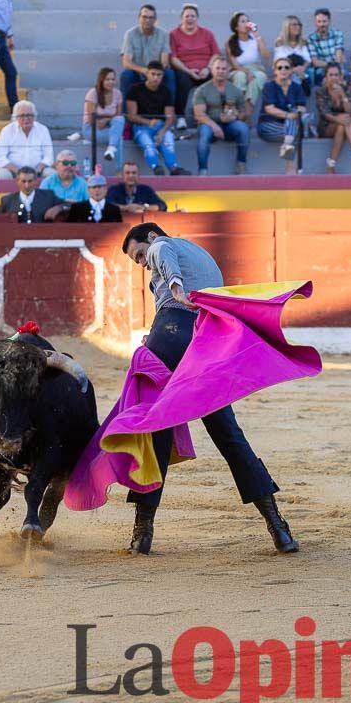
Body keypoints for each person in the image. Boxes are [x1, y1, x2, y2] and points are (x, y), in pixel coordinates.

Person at [119, 222, 298, 555]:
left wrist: (174, 287)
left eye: (139, 255)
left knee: (156, 428)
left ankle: (142, 533)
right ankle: (278, 528)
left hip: (170, 332)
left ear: (152, 238)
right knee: (228, 434)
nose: (143, 264)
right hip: (204, 341)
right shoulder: (202, 256)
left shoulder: (163, 247)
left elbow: (163, 254)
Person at [126, 61, 190, 176]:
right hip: (141, 126)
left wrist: (163, 130)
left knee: (168, 140)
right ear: (147, 74)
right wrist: (148, 122)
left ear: (163, 75)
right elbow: (131, 116)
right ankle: (156, 168)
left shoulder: (166, 91)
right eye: (153, 74)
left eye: (159, 75)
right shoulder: (135, 89)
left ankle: (174, 168)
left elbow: (170, 117)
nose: (155, 78)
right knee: (148, 144)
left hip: (160, 125)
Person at [193, 56, 251, 175]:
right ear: (212, 69)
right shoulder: (202, 90)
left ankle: (241, 165)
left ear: (228, 70)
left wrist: (235, 117)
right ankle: (202, 170)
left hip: (229, 126)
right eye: (217, 68)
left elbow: (243, 113)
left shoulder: (235, 90)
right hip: (209, 125)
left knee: (243, 128)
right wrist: (215, 126)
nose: (220, 71)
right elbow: (199, 115)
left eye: (224, 69)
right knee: (204, 136)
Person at [169, 3, 221, 127]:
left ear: (197, 18)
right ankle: (181, 118)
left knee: (215, 78)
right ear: (182, 18)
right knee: (182, 80)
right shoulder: (173, 34)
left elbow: (216, 54)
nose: (190, 19)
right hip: (184, 69)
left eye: (193, 16)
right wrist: (188, 70)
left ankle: (211, 116)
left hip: (205, 69)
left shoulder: (207, 33)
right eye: (187, 16)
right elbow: (173, 58)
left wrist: (208, 69)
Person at [316, 62, 351, 173]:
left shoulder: (345, 89)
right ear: (326, 77)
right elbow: (324, 113)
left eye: (336, 75)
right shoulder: (321, 91)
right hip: (327, 126)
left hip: (346, 125)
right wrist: (339, 118)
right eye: (331, 75)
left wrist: (342, 95)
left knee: (342, 125)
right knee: (344, 119)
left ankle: (331, 166)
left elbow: (350, 112)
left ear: (340, 76)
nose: (334, 78)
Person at [257, 56, 308, 173]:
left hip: (287, 128)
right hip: (268, 126)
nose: (283, 70)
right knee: (293, 125)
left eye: (286, 67)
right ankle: (291, 169)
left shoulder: (296, 87)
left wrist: (296, 112)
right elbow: (269, 109)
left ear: (291, 71)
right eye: (280, 67)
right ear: (275, 71)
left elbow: (302, 107)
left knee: (292, 123)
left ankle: (287, 146)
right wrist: (288, 114)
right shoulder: (269, 86)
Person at [119, 4, 176, 106]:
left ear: (155, 19)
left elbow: (165, 61)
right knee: (126, 75)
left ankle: (169, 114)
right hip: (137, 72)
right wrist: (144, 70)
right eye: (144, 17)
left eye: (151, 17)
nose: (147, 20)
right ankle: (126, 116)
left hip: (156, 73)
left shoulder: (163, 34)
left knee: (169, 74)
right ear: (139, 17)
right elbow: (126, 62)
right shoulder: (130, 34)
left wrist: (153, 73)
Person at [0, 100, 55, 180]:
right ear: (15, 117)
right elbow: (0, 158)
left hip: (38, 171)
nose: (26, 119)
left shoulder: (43, 130)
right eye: (22, 116)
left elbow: (49, 157)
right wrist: (18, 171)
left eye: (29, 115)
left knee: (51, 173)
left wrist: (37, 170)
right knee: (3, 174)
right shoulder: (7, 131)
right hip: (14, 172)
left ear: (34, 116)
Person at [225, 11, 270, 111]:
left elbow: (266, 56)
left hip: (256, 68)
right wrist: (247, 72)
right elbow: (234, 64)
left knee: (260, 77)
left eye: (248, 21)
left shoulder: (256, 38)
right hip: (238, 70)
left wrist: (257, 36)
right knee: (240, 77)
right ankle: (237, 107)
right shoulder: (230, 42)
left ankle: (246, 110)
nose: (246, 23)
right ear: (236, 27)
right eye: (243, 21)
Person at [81, 67, 125, 163]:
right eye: (107, 80)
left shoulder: (118, 94)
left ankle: (111, 149)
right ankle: (119, 171)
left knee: (120, 119)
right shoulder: (93, 93)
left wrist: (106, 120)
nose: (111, 82)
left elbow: (118, 116)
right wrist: (107, 119)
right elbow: (94, 122)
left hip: (109, 127)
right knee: (118, 138)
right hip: (91, 129)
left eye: (113, 79)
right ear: (101, 80)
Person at [0, 166, 65, 222]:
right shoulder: (8, 200)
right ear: (17, 181)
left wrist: (59, 208)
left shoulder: (48, 196)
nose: (27, 185)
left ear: (36, 181)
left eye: (30, 181)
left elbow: (69, 205)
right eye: (23, 181)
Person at [306, 8, 345, 88]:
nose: (321, 24)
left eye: (324, 21)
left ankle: (342, 98)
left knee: (341, 75)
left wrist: (334, 68)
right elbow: (315, 62)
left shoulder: (338, 34)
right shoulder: (311, 38)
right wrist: (330, 65)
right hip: (321, 69)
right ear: (315, 22)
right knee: (322, 75)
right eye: (319, 22)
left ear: (329, 21)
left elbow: (339, 56)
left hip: (337, 67)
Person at [272, 15, 312, 92]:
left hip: (302, 70)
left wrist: (302, 68)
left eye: (299, 24)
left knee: (304, 75)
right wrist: (293, 70)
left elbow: (308, 60)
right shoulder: (280, 43)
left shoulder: (303, 42)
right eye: (294, 24)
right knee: (292, 77)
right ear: (287, 27)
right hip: (285, 70)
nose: (297, 27)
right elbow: (278, 62)